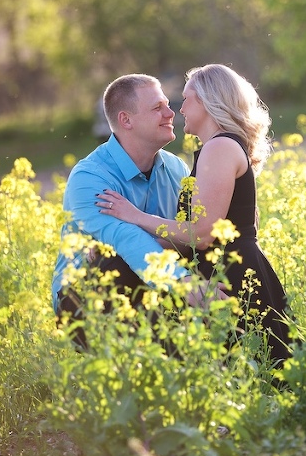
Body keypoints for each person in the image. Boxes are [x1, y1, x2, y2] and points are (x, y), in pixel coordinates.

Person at [96, 64, 292, 368]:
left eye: (187, 100)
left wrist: (134, 215)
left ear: (208, 102)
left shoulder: (220, 147)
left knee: (252, 374)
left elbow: (201, 235)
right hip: (228, 271)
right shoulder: (219, 148)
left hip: (233, 278)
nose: (179, 109)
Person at [52, 73, 225, 350]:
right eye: (158, 108)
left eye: (168, 105)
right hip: (86, 300)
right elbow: (127, 241)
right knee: (116, 262)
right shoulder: (90, 178)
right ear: (126, 120)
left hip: (156, 286)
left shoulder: (176, 168)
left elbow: (189, 236)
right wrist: (184, 282)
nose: (171, 113)